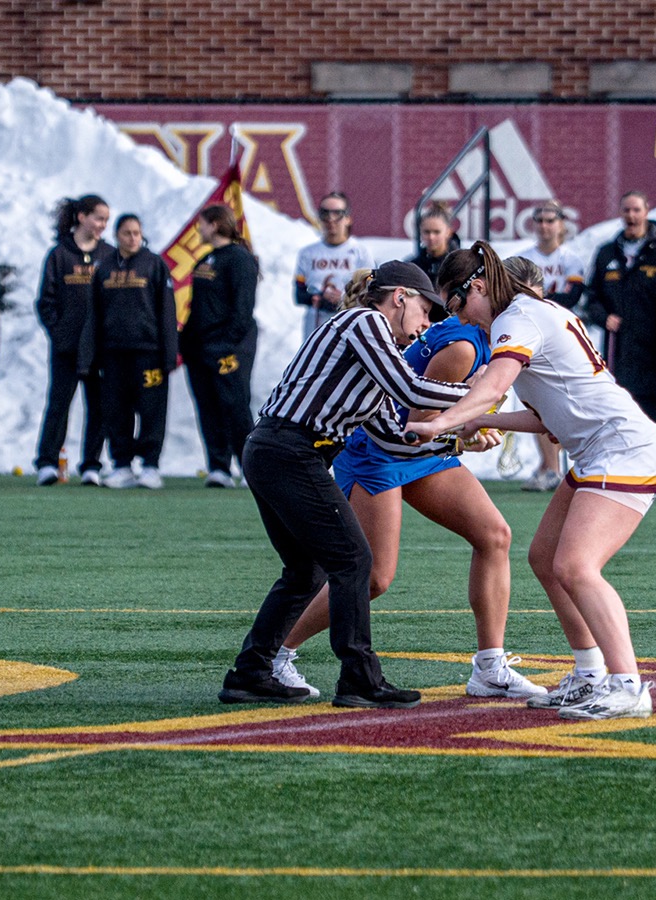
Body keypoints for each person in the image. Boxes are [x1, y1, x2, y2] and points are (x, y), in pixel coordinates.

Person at [409, 241, 656, 721]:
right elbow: (548, 419)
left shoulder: (519, 318)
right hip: (601, 448)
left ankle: (628, 685)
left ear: (481, 286)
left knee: (575, 565)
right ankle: (591, 672)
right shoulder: (530, 316)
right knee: (546, 559)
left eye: (457, 304)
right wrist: (480, 422)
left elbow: (490, 388)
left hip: (623, 449)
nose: (461, 320)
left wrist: (441, 422)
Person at [272, 262, 541, 701]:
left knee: (494, 535)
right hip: (381, 451)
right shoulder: (465, 348)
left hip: (418, 451)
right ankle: (276, 653)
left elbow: (434, 427)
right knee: (374, 576)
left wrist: (464, 432)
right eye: (525, 300)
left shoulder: (493, 339)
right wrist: (470, 423)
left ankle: (489, 667)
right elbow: (417, 421)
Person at [219, 260, 469, 709]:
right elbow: (410, 392)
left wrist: (455, 437)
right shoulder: (365, 320)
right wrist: (481, 397)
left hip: (277, 451)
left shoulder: (369, 355)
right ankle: (358, 678)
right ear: (400, 297)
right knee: (353, 561)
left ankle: (251, 672)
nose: (426, 325)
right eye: (425, 311)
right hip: (290, 452)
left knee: (305, 571)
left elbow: (394, 437)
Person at [585, 191, 656, 480]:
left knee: (649, 407)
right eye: (626, 210)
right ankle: (616, 465)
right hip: (616, 348)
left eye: (636, 209)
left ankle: (653, 466)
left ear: (647, 211)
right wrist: (604, 317)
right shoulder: (606, 252)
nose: (631, 216)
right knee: (615, 404)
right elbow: (591, 298)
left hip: (651, 348)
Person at [35, 194, 114, 486]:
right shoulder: (59, 254)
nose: (102, 224)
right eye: (98, 217)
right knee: (59, 404)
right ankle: (47, 463)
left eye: (106, 219)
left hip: (99, 349)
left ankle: (92, 464)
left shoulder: (109, 254)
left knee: (99, 406)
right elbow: (45, 302)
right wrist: (61, 333)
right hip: (67, 348)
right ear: (81, 217)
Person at [93, 213, 175, 490]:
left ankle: (150, 466)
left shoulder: (154, 264)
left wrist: (169, 354)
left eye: (136, 233)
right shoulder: (103, 267)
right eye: (127, 233)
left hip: (149, 352)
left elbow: (167, 311)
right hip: (113, 353)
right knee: (117, 411)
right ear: (117, 235)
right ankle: (122, 466)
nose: (132, 238)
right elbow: (94, 313)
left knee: (152, 410)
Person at [182, 204, 258, 488]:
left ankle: (250, 467)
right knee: (208, 407)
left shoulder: (239, 259)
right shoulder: (206, 260)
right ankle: (218, 466)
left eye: (201, 224)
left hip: (229, 348)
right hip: (200, 349)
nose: (198, 229)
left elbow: (243, 308)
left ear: (214, 224)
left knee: (235, 406)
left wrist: (227, 343)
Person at [516, 200, 585, 492]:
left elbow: (573, 294)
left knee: (560, 400)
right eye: (540, 220)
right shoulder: (523, 259)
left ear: (561, 224)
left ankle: (551, 466)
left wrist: (540, 304)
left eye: (550, 220)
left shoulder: (571, 258)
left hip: (564, 336)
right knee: (537, 399)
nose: (545, 226)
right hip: (534, 335)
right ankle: (550, 467)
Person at [293, 192, 373, 337]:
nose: (330, 219)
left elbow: (371, 291)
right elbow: (299, 294)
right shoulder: (308, 253)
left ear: (348, 218)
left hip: (349, 324)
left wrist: (344, 299)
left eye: (337, 214)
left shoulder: (360, 252)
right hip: (316, 325)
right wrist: (318, 298)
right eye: (325, 213)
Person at [407, 202, 460, 284]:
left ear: (448, 232)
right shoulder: (413, 266)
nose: (431, 237)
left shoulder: (461, 264)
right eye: (426, 232)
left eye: (437, 232)